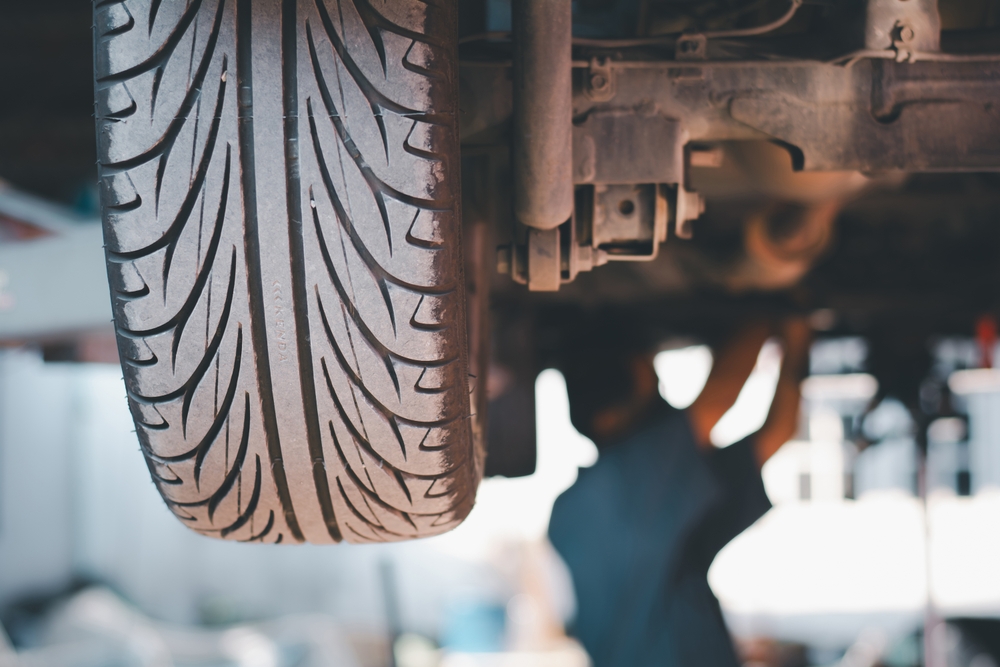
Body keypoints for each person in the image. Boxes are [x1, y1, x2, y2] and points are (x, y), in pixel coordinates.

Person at [548, 317, 811, 667]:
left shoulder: (642, 499)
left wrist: (790, 333)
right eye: (650, 371)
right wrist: (771, 313)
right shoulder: (624, 485)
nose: (658, 382)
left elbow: (775, 431)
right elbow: (722, 396)